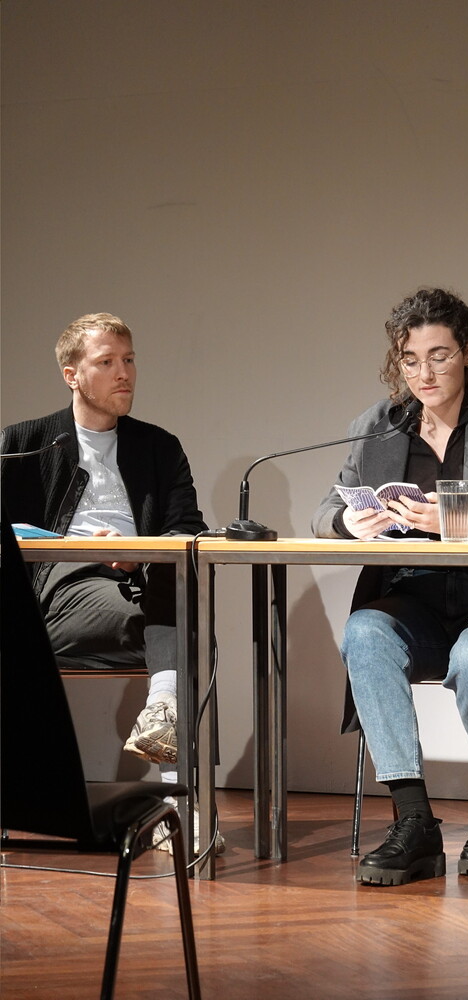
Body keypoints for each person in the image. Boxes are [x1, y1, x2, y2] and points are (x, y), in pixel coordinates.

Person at [312, 287, 468, 886]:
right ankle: (414, 820)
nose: (424, 374)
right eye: (411, 359)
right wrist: (348, 523)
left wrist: (455, 519)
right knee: (365, 633)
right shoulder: (378, 424)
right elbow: (324, 512)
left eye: (439, 356)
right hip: (414, 596)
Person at [1, 311, 224, 853]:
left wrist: (134, 551)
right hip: (60, 588)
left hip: (140, 580)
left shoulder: (159, 446)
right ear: (72, 375)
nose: (124, 373)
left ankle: (166, 718)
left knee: (179, 574)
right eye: (106, 362)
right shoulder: (25, 443)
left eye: (129, 360)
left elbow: (187, 528)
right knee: (183, 635)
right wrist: (79, 547)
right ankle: (177, 797)